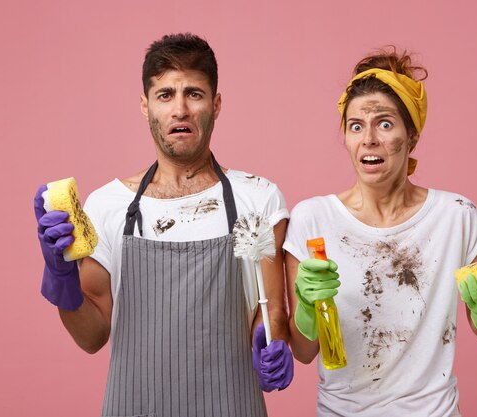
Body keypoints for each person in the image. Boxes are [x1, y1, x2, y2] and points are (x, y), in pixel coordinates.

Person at [34, 33, 293, 417]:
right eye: (165, 95)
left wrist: (270, 339)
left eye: (194, 93)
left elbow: (271, 310)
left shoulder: (258, 198)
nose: (180, 110)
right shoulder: (109, 206)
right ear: (146, 106)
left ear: (216, 104)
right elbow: (91, 337)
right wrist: (62, 279)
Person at [283, 47, 477, 416]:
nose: (369, 138)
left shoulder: (457, 216)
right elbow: (305, 351)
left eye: (385, 124)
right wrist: (310, 309)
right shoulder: (313, 220)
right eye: (356, 125)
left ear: (412, 137)